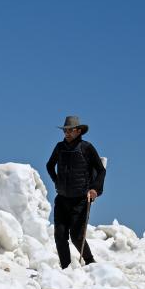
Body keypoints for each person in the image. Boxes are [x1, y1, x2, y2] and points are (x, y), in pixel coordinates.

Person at [45, 115, 106, 269]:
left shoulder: (87, 148)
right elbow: (49, 165)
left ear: (78, 131)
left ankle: (90, 262)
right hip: (62, 199)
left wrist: (95, 189)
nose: (66, 133)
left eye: (70, 130)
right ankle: (66, 269)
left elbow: (101, 170)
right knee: (60, 236)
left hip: (80, 200)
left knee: (77, 236)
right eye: (65, 130)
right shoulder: (59, 147)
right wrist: (57, 181)